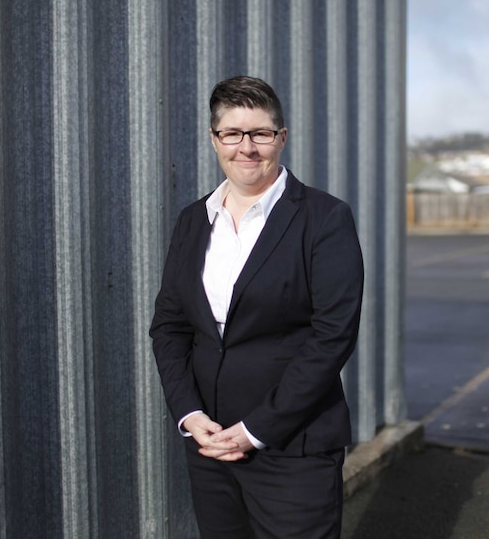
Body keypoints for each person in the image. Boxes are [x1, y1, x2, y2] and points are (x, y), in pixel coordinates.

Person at [149, 75, 364, 539]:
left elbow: (333, 337)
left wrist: (257, 428)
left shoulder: (324, 218)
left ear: (281, 138)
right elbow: (170, 327)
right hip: (210, 445)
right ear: (214, 139)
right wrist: (189, 414)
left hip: (293, 447)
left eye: (260, 133)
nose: (246, 147)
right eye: (232, 133)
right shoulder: (193, 220)